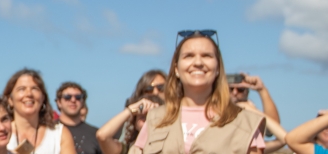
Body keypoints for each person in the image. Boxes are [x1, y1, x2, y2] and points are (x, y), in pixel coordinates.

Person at [134, 30, 265, 154]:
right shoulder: (155, 119)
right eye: (189, 56)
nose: (198, 62)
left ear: (218, 67)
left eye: (206, 56)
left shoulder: (245, 123)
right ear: (176, 69)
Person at [3, 69, 76, 154]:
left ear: (43, 98)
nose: (29, 94)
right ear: (10, 99)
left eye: (35, 89)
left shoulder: (58, 134)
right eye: (21, 89)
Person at [95, 95, 163, 154]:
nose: (147, 122)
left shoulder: (168, 146)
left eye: (153, 117)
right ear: (135, 124)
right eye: (143, 117)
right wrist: (130, 110)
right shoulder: (128, 150)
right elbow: (102, 136)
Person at [56, 82, 101, 154]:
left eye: (78, 97)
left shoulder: (95, 134)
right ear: (59, 102)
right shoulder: (49, 130)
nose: (73, 100)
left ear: (83, 102)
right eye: (67, 97)